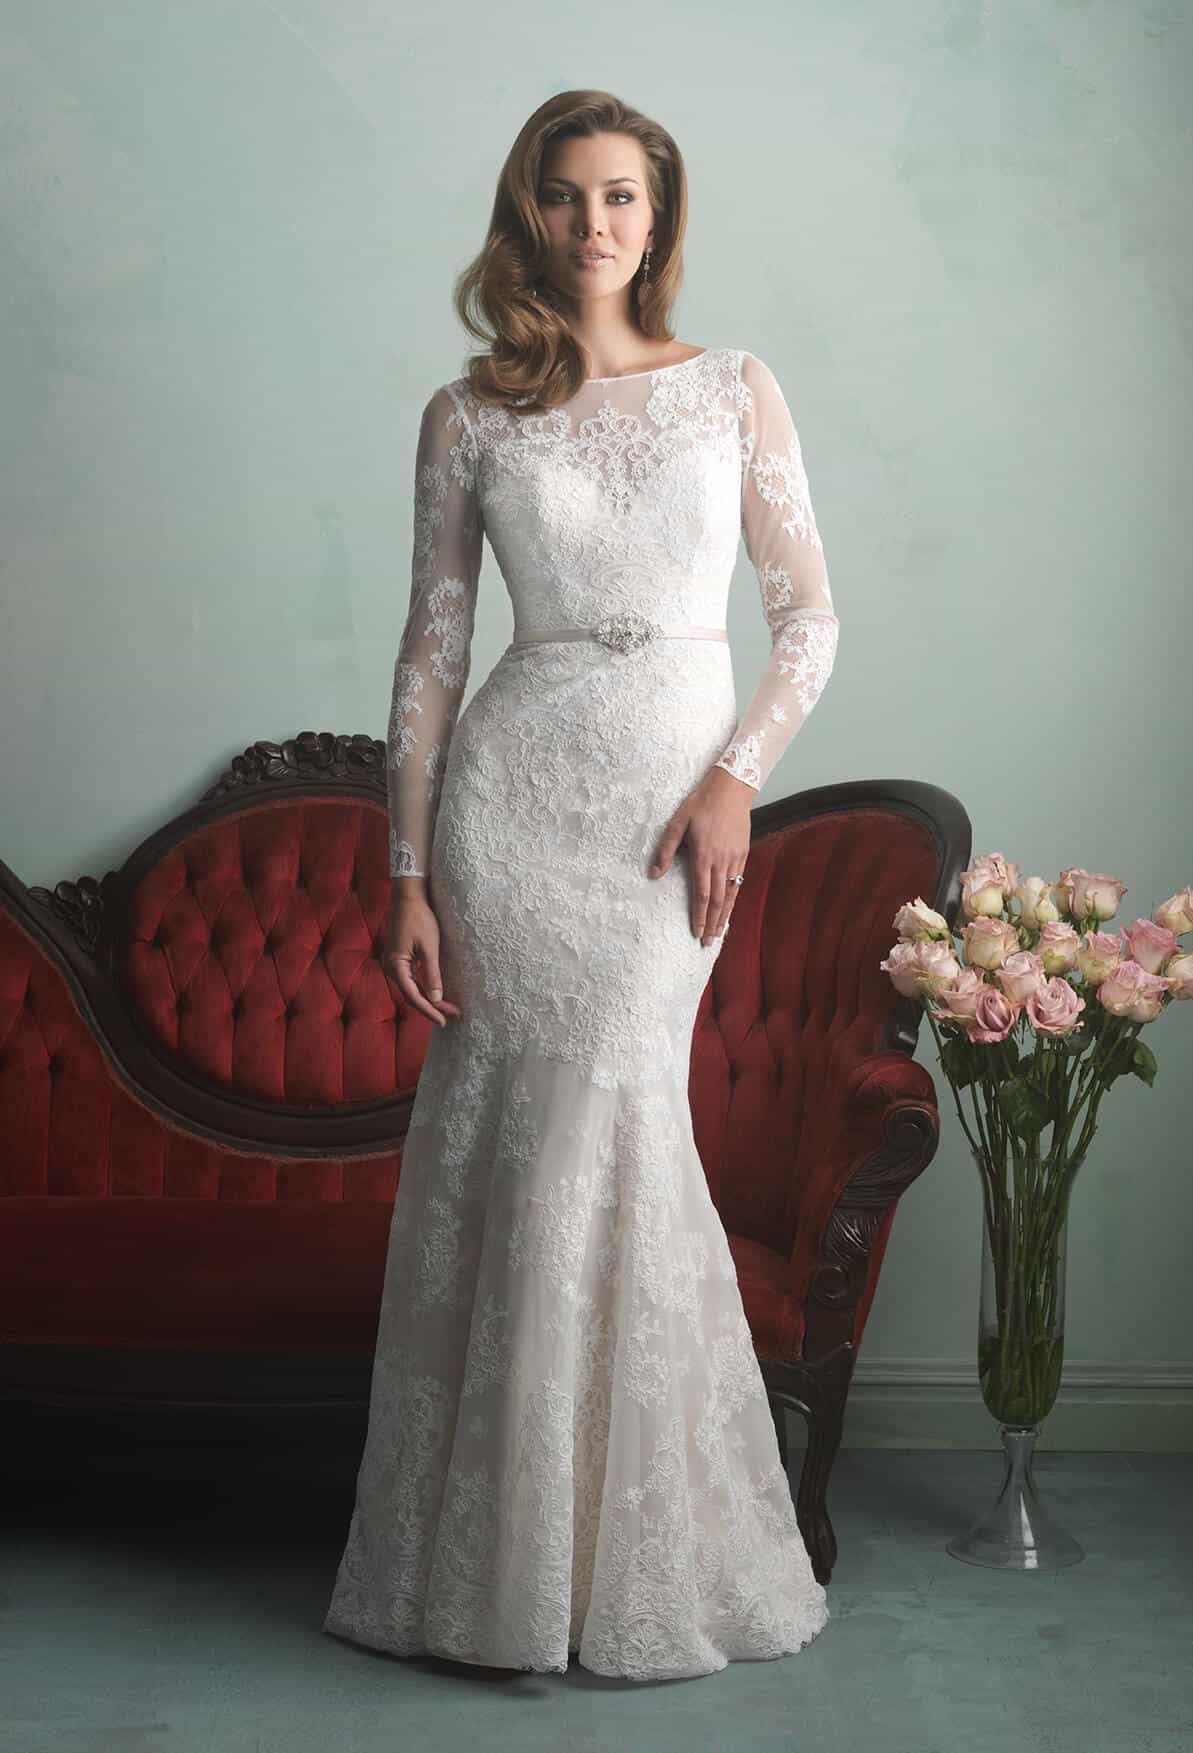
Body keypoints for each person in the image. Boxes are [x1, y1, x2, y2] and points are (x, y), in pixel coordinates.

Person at [323, 88, 839, 1681]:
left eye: (622, 195)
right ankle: (490, 1571)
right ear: (526, 215)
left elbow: (809, 620)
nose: (595, 222)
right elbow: (431, 653)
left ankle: (628, 1555)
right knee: (516, 1149)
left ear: (659, 216)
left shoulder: (734, 389)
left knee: (615, 1125)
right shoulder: (468, 413)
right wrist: (410, 871)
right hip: (511, 806)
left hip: (661, 813)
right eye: (565, 195)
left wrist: (735, 774)